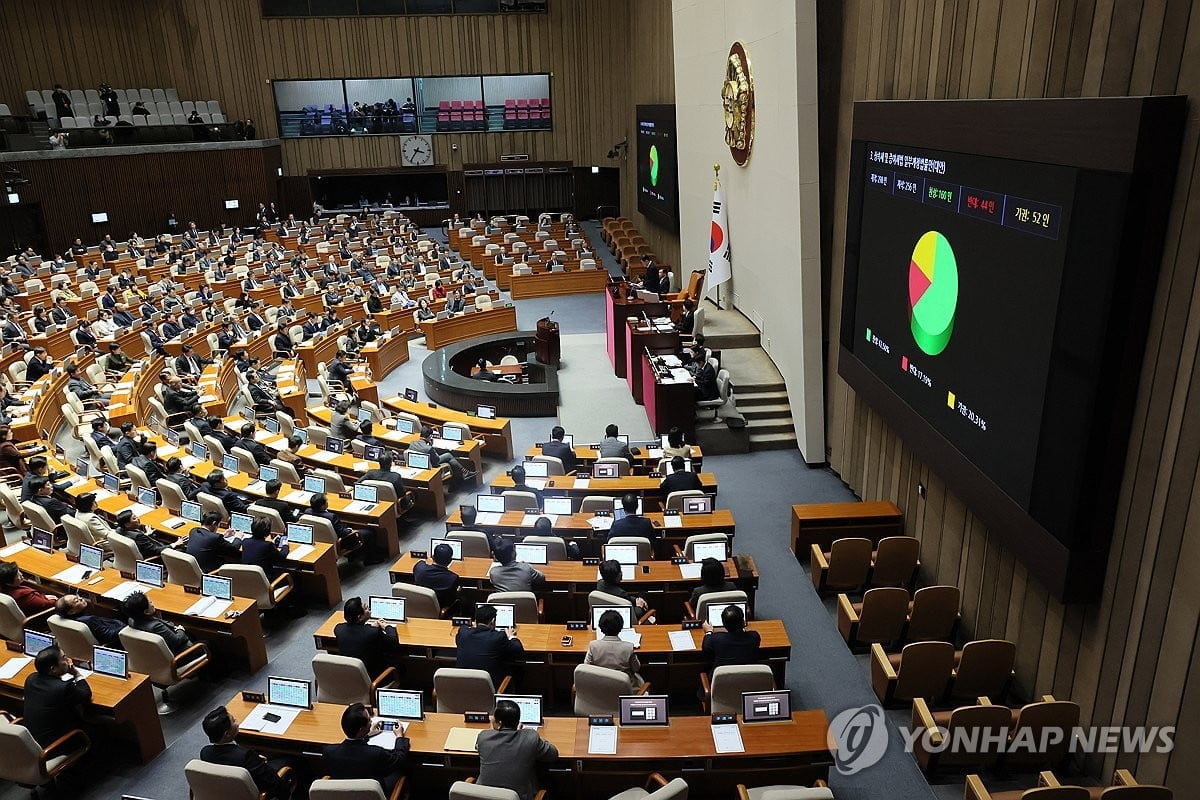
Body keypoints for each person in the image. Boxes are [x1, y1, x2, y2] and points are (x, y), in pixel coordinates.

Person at [201, 706, 297, 800]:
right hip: (255, 791)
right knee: (292, 760)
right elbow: (273, 782)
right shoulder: (245, 756)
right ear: (227, 734)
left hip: (226, 792)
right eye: (234, 721)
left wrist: (255, 760)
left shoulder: (205, 752)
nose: (237, 722)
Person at [476, 699, 559, 800]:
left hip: (483, 796)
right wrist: (523, 734)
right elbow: (553, 754)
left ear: (499, 723)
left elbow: (480, 748)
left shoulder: (483, 737)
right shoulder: (530, 737)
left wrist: (497, 731)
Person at [321, 702, 410, 794]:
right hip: (375, 794)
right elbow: (400, 759)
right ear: (361, 729)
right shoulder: (376, 754)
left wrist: (366, 735)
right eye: (369, 720)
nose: (371, 722)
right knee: (401, 770)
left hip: (344, 795)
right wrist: (400, 736)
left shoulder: (329, 752)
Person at [22, 646, 92, 748]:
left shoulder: (31, 679)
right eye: (64, 658)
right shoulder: (63, 688)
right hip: (54, 746)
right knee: (98, 729)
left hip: (31, 741)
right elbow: (86, 695)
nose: (68, 661)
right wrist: (77, 674)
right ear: (53, 669)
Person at [333, 596, 402, 679]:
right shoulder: (373, 632)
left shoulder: (338, 629)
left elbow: (357, 632)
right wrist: (387, 626)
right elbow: (393, 641)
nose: (369, 609)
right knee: (400, 665)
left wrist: (370, 627)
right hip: (373, 678)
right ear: (360, 617)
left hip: (349, 677)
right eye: (366, 608)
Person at [455, 603, 524, 683]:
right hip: (488, 688)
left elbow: (458, 640)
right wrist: (511, 636)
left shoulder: (463, 633)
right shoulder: (498, 637)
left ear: (476, 621)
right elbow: (518, 651)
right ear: (493, 621)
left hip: (462, 686)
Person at [309, 493, 383, 565]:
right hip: (341, 542)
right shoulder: (331, 516)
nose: (327, 502)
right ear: (322, 507)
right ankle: (370, 559)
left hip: (322, 540)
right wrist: (350, 530)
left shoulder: (307, 512)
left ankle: (353, 555)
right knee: (370, 532)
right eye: (326, 501)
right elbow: (343, 533)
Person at [121, 590, 194, 654]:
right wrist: (180, 629)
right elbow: (176, 641)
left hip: (152, 654)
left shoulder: (131, 620)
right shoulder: (156, 627)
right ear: (146, 612)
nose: (153, 604)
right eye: (150, 602)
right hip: (179, 652)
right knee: (204, 643)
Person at [585, 608, 643, 687]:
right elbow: (636, 668)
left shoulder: (593, 646)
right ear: (620, 628)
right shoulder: (628, 648)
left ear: (601, 628)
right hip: (624, 687)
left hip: (600, 687)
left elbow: (586, 667)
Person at [702, 603, 761, 672]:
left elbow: (706, 647)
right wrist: (742, 628)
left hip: (723, 680)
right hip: (749, 679)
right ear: (743, 622)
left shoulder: (714, 639)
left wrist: (708, 631)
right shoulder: (754, 636)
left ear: (723, 624)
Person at [408, 426, 476, 481]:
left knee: (449, 457)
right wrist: (432, 448)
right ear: (429, 436)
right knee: (448, 455)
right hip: (432, 466)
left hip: (418, 463)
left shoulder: (412, 443)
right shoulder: (429, 448)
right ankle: (464, 472)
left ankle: (463, 473)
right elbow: (436, 460)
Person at [55, 594, 125, 647]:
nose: (81, 598)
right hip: (118, 640)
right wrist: (128, 627)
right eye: (77, 601)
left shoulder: (68, 618)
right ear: (71, 612)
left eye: (78, 596)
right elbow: (109, 636)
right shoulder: (89, 620)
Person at [413, 542, 459, 610]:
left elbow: (421, 561)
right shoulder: (452, 578)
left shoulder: (419, 567)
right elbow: (451, 598)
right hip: (439, 607)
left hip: (418, 605)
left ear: (432, 556)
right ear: (450, 561)